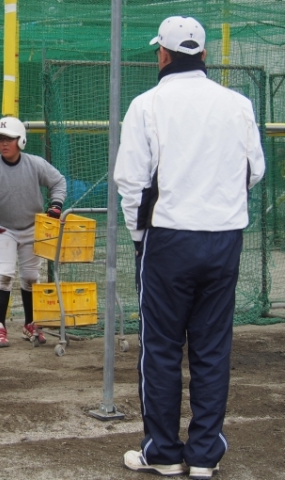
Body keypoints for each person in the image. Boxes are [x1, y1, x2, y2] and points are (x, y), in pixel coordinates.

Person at [114, 16, 265, 479]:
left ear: (162, 54)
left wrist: (140, 239)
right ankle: (203, 455)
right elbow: (254, 170)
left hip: (169, 238)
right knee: (212, 347)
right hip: (224, 238)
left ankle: (163, 451)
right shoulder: (237, 103)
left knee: (161, 348)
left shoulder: (146, 104)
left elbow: (131, 182)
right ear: (203, 54)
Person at [0, 116, 67, 347]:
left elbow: (59, 182)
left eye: (9, 139)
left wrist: (56, 204)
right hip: (3, 228)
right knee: (4, 275)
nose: (4, 144)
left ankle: (30, 324)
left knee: (31, 277)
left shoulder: (35, 164)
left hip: (32, 227)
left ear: (21, 140)